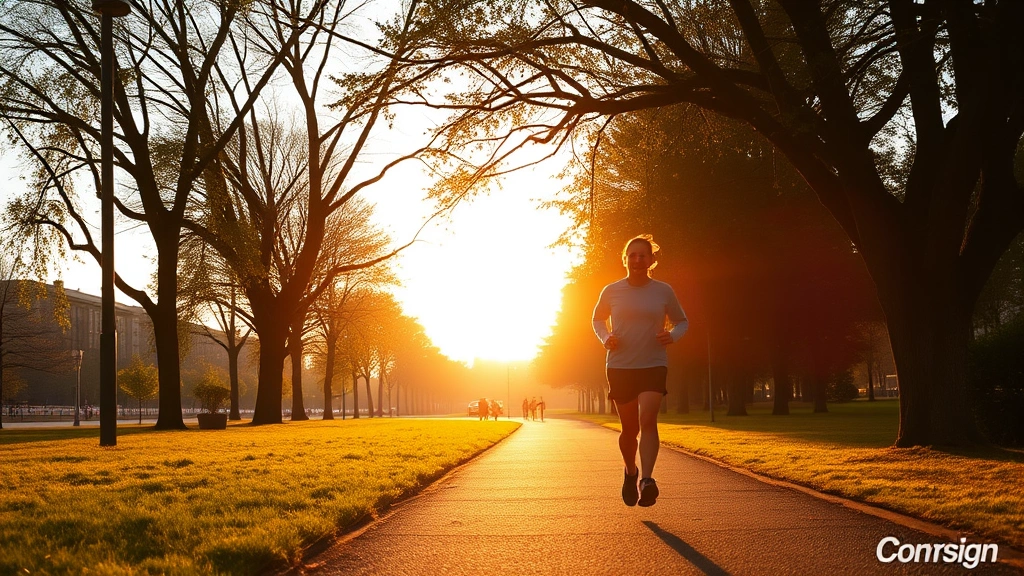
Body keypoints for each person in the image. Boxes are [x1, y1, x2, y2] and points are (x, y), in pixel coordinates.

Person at [592, 234, 688, 507]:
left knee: (647, 419)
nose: (637, 259)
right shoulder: (612, 291)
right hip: (620, 364)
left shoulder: (663, 291)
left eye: (642, 255)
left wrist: (672, 335)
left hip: (654, 362)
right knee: (629, 428)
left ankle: (646, 479)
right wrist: (606, 337)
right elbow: (597, 319)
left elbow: (682, 321)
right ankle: (630, 472)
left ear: (652, 260)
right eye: (632, 255)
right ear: (625, 260)